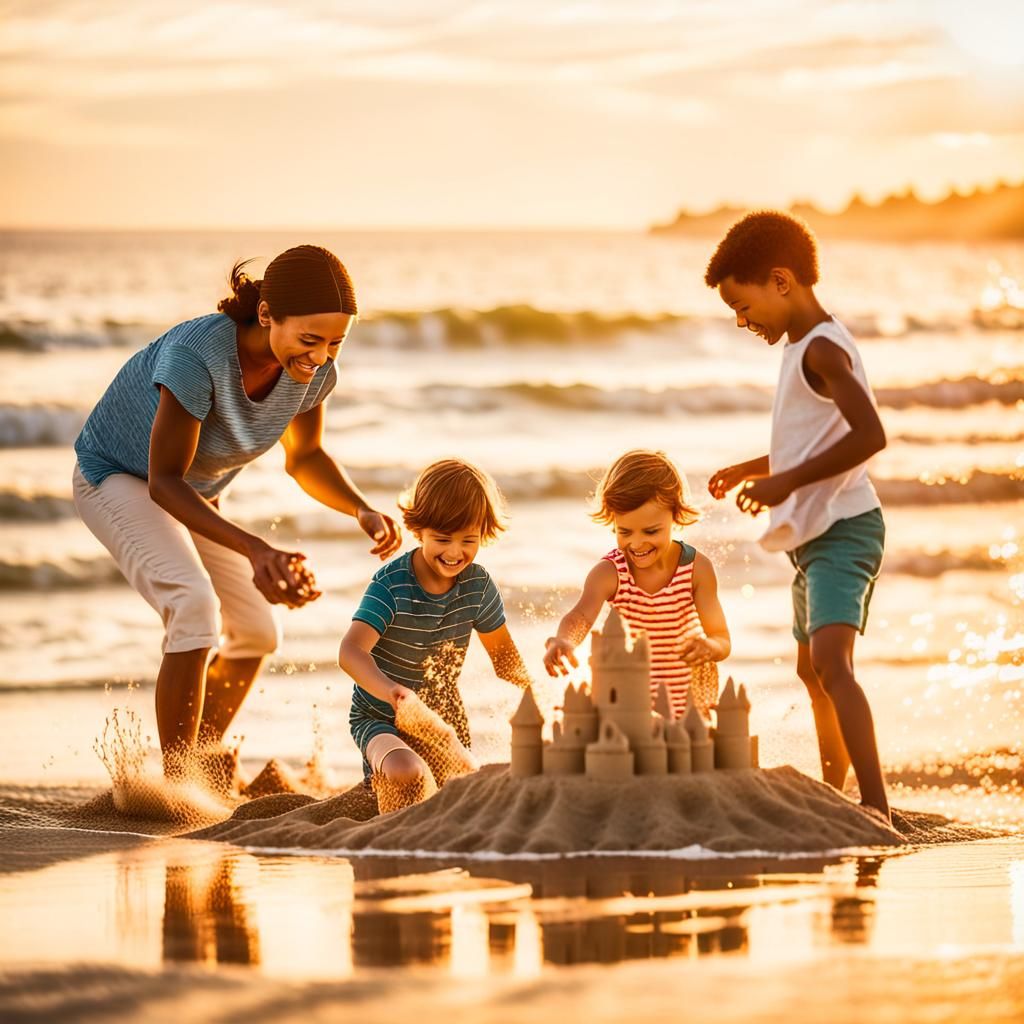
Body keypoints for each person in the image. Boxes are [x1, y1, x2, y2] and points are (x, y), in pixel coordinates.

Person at [73, 245, 402, 779]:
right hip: (117, 477)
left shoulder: (313, 374)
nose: (319, 356)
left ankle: (199, 762)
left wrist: (360, 510)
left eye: (336, 342)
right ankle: (177, 786)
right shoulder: (197, 355)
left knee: (255, 631)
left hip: (194, 493)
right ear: (267, 313)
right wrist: (257, 548)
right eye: (309, 338)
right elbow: (163, 481)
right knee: (194, 605)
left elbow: (307, 458)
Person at [703, 210, 890, 821]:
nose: (741, 320)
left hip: (845, 528)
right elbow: (810, 440)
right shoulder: (804, 346)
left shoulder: (823, 350)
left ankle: (876, 805)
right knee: (811, 670)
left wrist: (783, 479)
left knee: (834, 665)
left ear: (781, 281)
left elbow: (869, 434)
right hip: (814, 536)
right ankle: (834, 795)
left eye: (743, 304)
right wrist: (750, 469)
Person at [338, 458, 532, 812]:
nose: (455, 552)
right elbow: (350, 652)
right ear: (419, 529)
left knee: (471, 791)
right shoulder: (391, 585)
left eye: (468, 540)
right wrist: (392, 693)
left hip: (444, 723)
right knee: (408, 772)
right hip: (380, 718)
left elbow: (505, 662)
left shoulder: (477, 586)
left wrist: (543, 697)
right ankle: (384, 794)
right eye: (442, 539)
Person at [543, 449, 731, 719]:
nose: (637, 543)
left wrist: (710, 647)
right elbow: (581, 615)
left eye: (651, 531)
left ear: (676, 515)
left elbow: (722, 639)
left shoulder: (697, 570)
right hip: (631, 698)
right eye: (625, 532)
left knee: (686, 754)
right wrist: (564, 640)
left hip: (690, 696)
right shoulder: (610, 573)